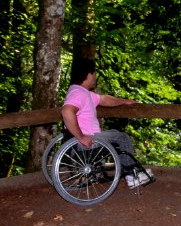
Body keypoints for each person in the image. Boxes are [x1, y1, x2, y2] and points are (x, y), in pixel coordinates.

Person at [61, 58, 153, 189]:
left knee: (115, 134)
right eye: (94, 74)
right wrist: (81, 137)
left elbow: (104, 99)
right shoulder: (78, 94)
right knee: (122, 138)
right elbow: (66, 111)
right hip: (86, 141)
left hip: (83, 140)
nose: (95, 77)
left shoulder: (82, 92)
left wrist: (125, 101)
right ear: (89, 75)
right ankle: (131, 176)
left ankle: (126, 171)